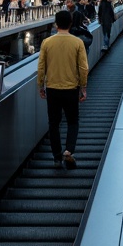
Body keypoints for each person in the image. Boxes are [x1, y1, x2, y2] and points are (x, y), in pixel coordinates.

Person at [37, 9, 88, 169]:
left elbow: (41, 67)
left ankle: (57, 156)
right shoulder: (77, 42)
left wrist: (41, 85)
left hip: (52, 88)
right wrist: (83, 87)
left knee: (54, 123)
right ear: (71, 23)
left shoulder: (47, 42)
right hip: (71, 88)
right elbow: (83, 67)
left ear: (56, 24)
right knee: (73, 121)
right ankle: (69, 150)